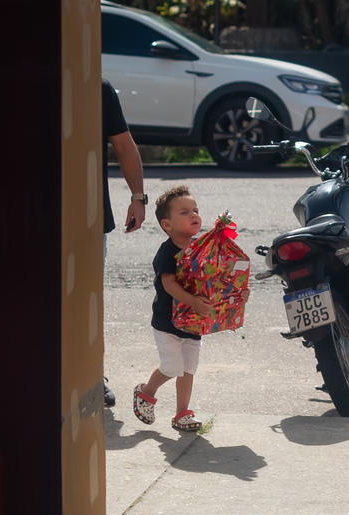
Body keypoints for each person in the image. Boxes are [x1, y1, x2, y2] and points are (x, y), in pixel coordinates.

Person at [133, 185, 247, 433]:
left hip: (194, 323)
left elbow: (215, 280)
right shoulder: (168, 251)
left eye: (195, 210)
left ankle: (182, 413)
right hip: (167, 322)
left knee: (187, 369)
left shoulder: (201, 249)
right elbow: (169, 284)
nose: (194, 215)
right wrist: (193, 301)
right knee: (172, 367)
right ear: (167, 225)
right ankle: (146, 392)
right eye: (184, 212)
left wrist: (236, 293)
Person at [101, 77, 146, 407]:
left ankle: (91, 372)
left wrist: (138, 197)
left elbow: (124, 145)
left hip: (87, 216)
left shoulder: (96, 89)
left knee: (87, 298)